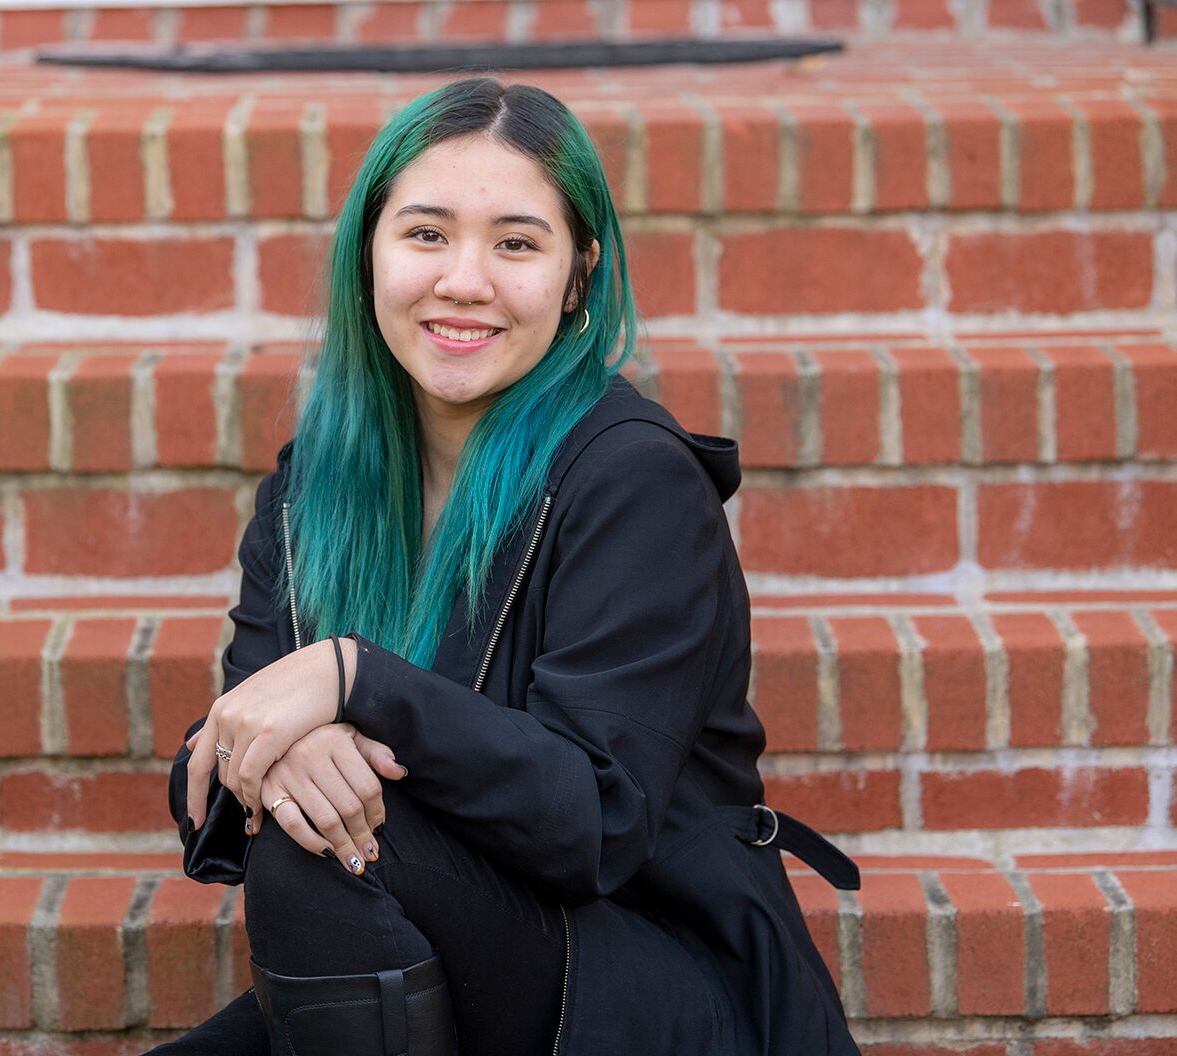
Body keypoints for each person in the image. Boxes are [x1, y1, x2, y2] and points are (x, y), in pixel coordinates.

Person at [159, 76, 863, 1056]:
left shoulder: (633, 483)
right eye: (427, 233)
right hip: (431, 958)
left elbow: (595, 825)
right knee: (313, 821)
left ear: (578, 276)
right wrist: (274, 747)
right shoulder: (315, 488)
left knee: (324, 845)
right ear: (368, 251)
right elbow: (234, 734)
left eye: (516, 243)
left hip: (644, 988)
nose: (464, 281)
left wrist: (350, 680)